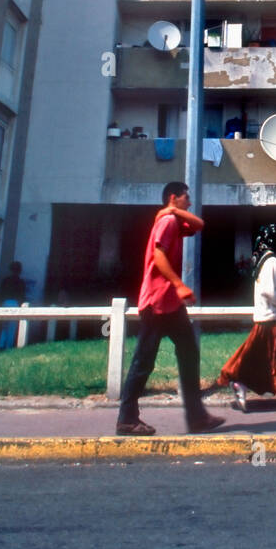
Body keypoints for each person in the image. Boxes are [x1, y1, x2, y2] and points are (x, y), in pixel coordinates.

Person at [116, 181, 224, 437]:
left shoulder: (172, 220)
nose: (190, 201)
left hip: (170, 305)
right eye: (186, 198)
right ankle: (127, 419)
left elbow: (199, 224)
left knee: (189, 354)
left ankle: (197, 418)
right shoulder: (166, 224)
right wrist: (179, 285)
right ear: (174, 197)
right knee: (144, 362)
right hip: (157, 302)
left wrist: (173, 210)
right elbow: (159, 257)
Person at [218, 223, 276, 415]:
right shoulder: (271, 262)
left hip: (267, 318)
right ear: (274, 240)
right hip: (275, 318)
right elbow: (269, 291)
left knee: (256, 357)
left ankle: (239, 383)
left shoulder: (266, 260)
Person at [0, 260, 26, 351]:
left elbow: (1, 293)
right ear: (20, 270)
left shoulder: (5, 280)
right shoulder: (21, 282)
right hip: (15, 304)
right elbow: (22, 295)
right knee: (12, 327)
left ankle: (1, 344)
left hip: (5, 303)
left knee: (4, 326)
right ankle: (8, 346)